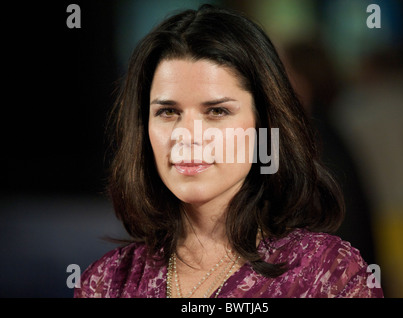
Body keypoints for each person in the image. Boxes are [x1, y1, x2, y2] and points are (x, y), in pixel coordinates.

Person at [75, 4, 383, 298]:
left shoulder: (325, 274)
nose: (188, 137)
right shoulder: (107, 281)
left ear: (264, 125)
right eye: (168, 112)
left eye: (217, 112)